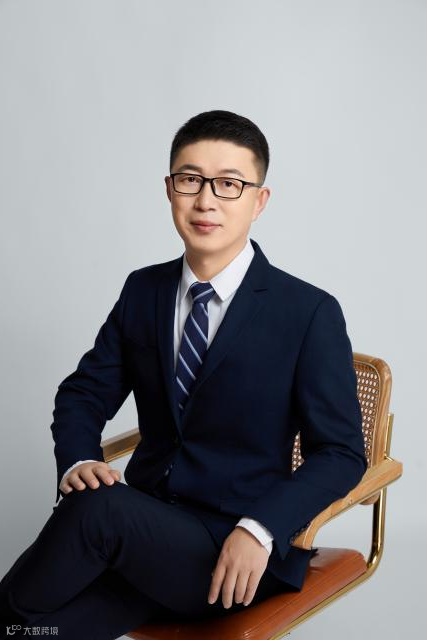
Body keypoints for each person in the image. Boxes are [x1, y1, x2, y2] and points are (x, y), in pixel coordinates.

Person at [0, 110, 366, 640]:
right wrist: (79, 459)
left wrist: (260, 528)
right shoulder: (143, 290)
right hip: (145, 535)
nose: (206, 200)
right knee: (36, 630)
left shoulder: (308, 312)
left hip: (233, 553)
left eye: (229, 184)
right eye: (191, 179)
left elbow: (340, 453)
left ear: (259, 200)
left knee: (97, 510)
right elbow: (84, 393)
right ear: (170, 189)